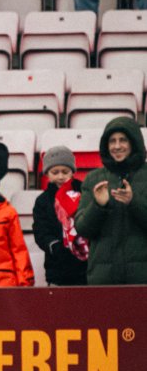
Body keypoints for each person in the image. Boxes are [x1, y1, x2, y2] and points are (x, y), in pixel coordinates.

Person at [75, 116, 147, 285]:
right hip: (103, 280)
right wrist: (98, 206)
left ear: (134, 142)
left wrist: (133, 202)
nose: (117, 146)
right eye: (112, 141)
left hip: (142, 280)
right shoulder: (93, 178)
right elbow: (83, 229)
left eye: (123, 140)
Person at [33, 146, 89, 287]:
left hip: (86, 266)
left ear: (72, 171)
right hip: (57, 268)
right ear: (47, 174)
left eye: (65, 172)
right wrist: (54, 246)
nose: (60, 176)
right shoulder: (43, 201)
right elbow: (41, 230)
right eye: (55, 172)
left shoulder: (84, 192)